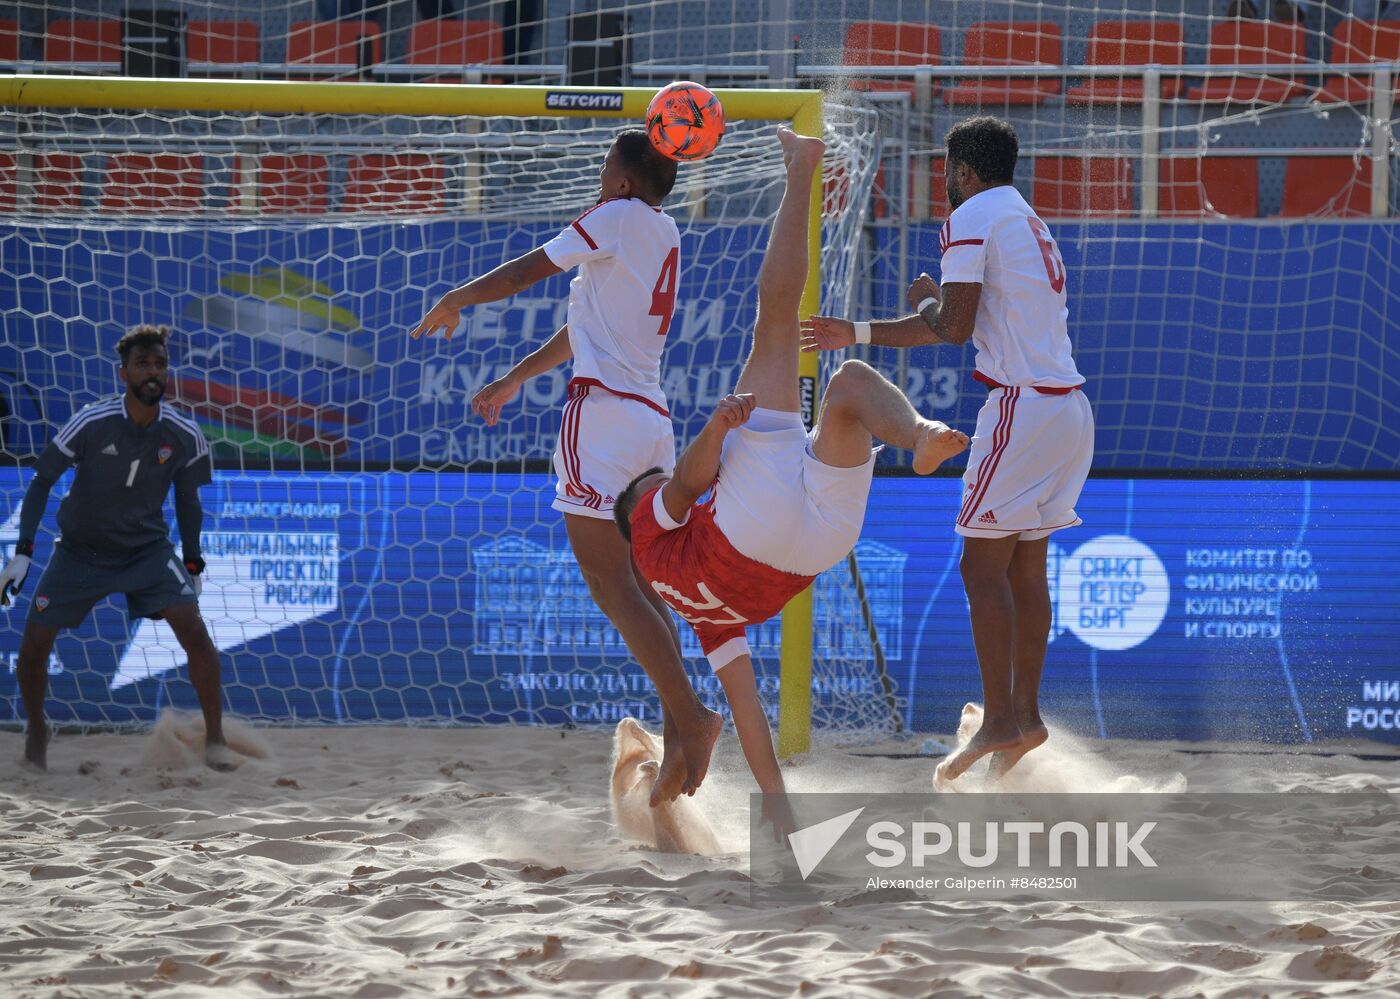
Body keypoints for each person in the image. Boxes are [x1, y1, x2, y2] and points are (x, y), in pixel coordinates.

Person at [612, 127, 968, 827]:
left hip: (817, 548)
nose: (653, 489)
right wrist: (716, 427)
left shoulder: (701, 618)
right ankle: (804, 168)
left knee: (846, 391)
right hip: (755, 521)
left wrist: (775, 806)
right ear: (637, 509)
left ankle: (921, 437)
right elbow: (684, 484)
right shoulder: (649, 530)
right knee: (778, 327)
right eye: (644, 489)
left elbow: (746, 708)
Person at [412, 129, 721, 803]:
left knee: (612, 589)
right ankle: (682, 736)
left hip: (604, 421)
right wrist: (513, 378)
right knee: (644, 585)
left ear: (623, 180)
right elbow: (584, 327)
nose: (600, 171)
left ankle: (693, 721)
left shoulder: (611, 216)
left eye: (606, 163)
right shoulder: (663, 231)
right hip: (651, 423)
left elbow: (526, 271)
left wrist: (458, 297)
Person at [800, 116, 1094, 787]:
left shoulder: (973, 216)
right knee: (1025, 569)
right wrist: (932, 302)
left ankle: (999, 720)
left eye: (947, 171)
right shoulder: (1027, 217)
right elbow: (977, 316)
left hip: (1022, 406)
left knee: (979, 569)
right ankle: (1023, 715)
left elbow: (955, 329)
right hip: (1070, 409)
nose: (945, 182)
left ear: (963, 170)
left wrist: (864, 328)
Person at [0, 325, 236, 772]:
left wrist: (192, 560)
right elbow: (41, 480)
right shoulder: (93, 421)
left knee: (197, 634)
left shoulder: (184, 434)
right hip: (79, 551)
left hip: (146, 550)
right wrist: (24, 552)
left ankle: (216, 742)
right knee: (33, 645)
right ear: (123, 372)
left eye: (160, 364)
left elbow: (188, 500)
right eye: (143, 364)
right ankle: (36, 730)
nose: (153, 372)